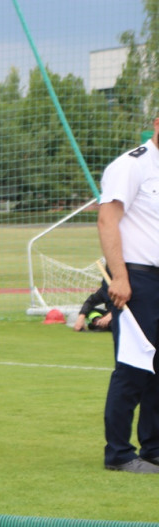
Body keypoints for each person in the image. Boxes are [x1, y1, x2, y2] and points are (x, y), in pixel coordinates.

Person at [96, 115, 159, 474]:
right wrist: (119, 277)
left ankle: (153, 447)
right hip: (136, 279)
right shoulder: (131, 165)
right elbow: (107, 220)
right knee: (134, 366)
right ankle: (119, 453)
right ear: (156, 121)